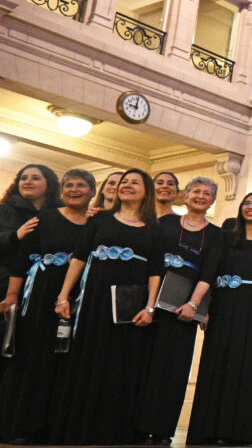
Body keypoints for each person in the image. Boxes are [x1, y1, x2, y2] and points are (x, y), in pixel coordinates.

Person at [51, 169, 162, 444]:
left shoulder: (155, 229)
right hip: (95, 301)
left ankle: (113, 431)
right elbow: (78, 258)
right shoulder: (99, 218)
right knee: (88, 356)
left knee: (122, 364)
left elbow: (155, 272)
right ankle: (80, 427)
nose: (127, 186)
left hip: (129, 307)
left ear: (146, 191)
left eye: (135, 183)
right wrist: (63, 296)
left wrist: (149, 308)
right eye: (124, 182)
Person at [0, 169, 92, 443]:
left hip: (78, 295)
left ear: (93, 191)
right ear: (61, 190)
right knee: (32, 357)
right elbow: (23, 259)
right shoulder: (46, 218)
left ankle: (54, 426)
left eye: (81, 185)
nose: (74, 189)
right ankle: (22, 425)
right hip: (41, 295)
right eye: (69, 185)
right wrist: (13, 295)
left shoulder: (97, 222)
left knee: (64, 360)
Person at [186, 192, 252, 445]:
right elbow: (209, 274)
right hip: (225, 307)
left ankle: (239, 432)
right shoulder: (224, 238)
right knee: (217, 363)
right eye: (246, 203)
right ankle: (208, 429)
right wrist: (198, 307)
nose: (251, 207)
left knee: (248, 368)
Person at [137, 177, 223, 444]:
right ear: (184, 196)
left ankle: (162, 430)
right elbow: (152, 261)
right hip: (152, 305)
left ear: (212, 201)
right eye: (195, 191)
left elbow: (209, 273)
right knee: (144, 365)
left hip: (183, 311)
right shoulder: (166, 223)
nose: (200, 196)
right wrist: (150, 304)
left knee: (173, 371)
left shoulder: (217, 234)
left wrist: (193, 305)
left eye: (207, 193)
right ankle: (136, 426)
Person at [0, 164, 60, 279]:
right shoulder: (3, 210)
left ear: (49, 184)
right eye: (23, 178)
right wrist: (15, 236)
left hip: (45, 280)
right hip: (5, 279)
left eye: (35, 178)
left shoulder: (59, 213)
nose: (28, 181)